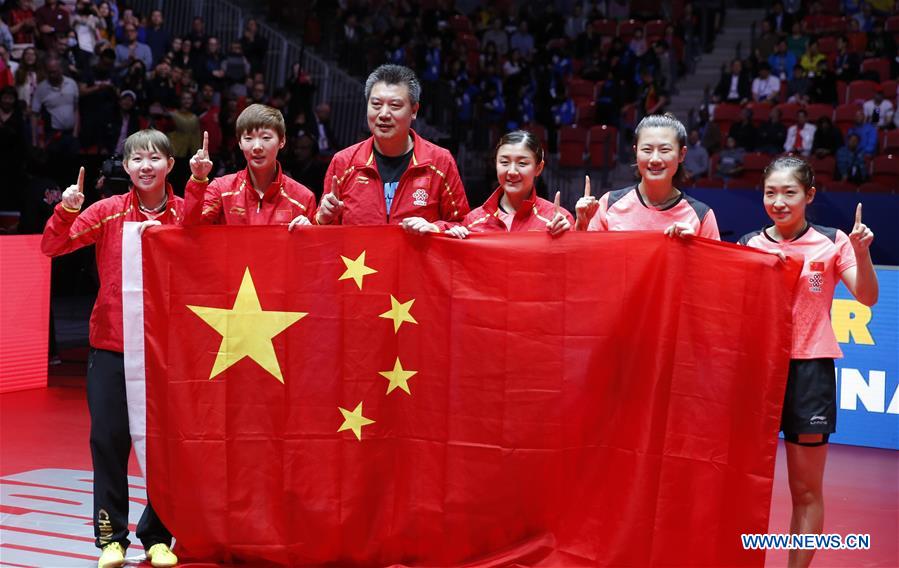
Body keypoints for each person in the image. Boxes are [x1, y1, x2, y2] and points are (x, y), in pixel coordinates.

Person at [40, 130, 181, 568]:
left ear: (169, 166)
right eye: (137, 158)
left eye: (154, 158)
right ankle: (111, 539)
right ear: (125, 167)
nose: (145, 166)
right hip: (112, 344)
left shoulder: (188, 212)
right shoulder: (105, 211)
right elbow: (53, 245)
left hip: (168, 351)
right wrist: (66, 210)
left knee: (164, 446)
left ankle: (158, 536)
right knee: (108, 441)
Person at [738, 156, 878, 568]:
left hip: (809, 373)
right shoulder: (749, 244)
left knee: (806, 491)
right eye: (770, 192)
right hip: (757, 373)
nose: (778, 201)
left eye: (789, 192)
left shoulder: (833, 240)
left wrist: (861, 253)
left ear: (809, 195)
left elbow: (867, 297)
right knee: (744, 486)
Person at [316, 64, 470, 232]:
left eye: (395, 105)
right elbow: (323, 231)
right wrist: (323, 219)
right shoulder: (344, 162)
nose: (383, 114)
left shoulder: (440, 161)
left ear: (414, 110)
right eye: (376, 104)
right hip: (360, 259)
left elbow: (462, 225)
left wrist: (436, 228)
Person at [574, 114, 720, 239]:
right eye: (647, 150)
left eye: (664, 150)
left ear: (682, 154)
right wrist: (581, 226)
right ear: (636, 152)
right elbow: (589, 262)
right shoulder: (609, 204)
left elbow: (714, 271)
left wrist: (695, 249)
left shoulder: (702, 216)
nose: (655, 159)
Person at [183, 103, 316, 229]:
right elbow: (191, 229)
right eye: (248, 138)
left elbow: (312, 250)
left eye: (266, 138)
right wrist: (198, 180)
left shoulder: (303, 198)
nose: (257, 147)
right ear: (240, 143)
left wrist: (307, 234)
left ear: (282, 141)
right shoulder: (221, 189)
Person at [446, 130, 571, 238]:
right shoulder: (473, 221)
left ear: (539, 168)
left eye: (522, 163)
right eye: (504, 162)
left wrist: (575, 230)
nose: (512, 172)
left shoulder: (558, 221)